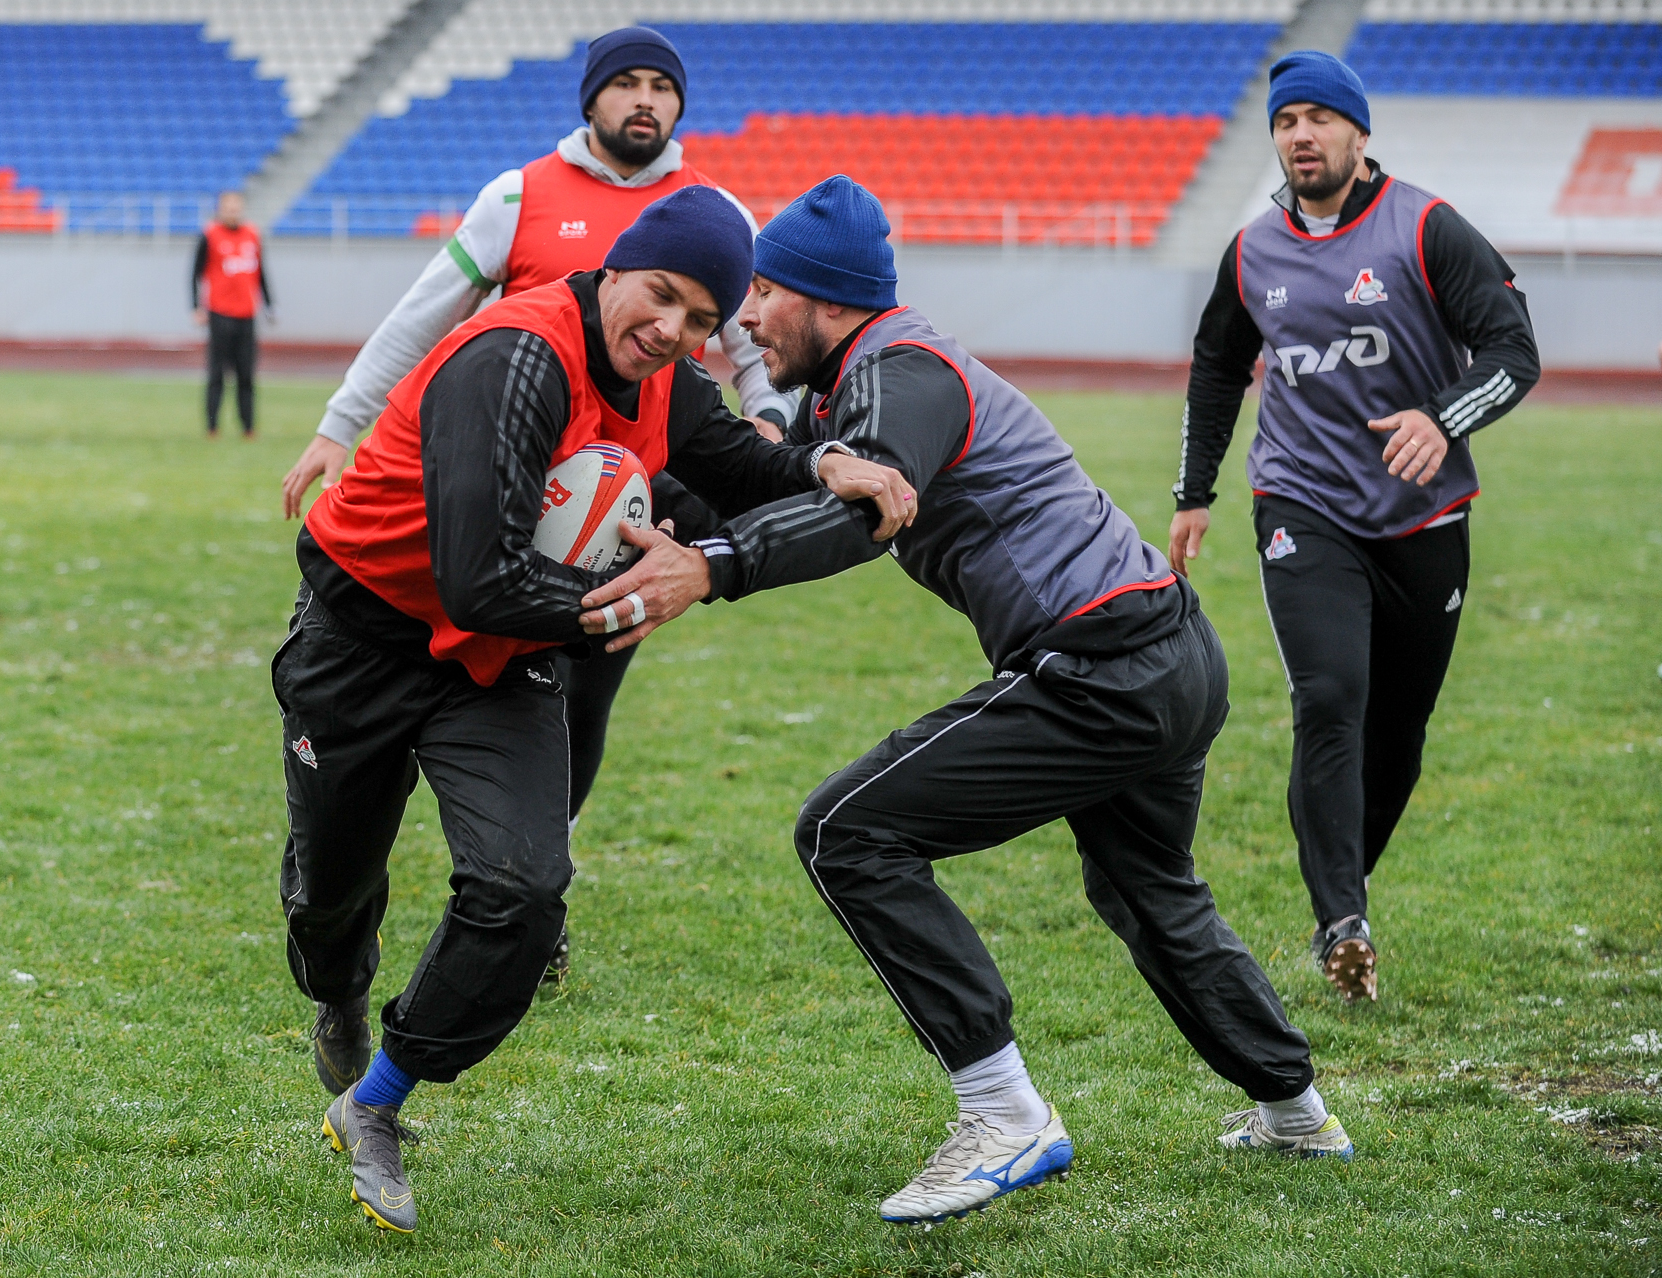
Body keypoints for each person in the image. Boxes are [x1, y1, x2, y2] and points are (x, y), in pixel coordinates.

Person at [578, 176, 1353, 1227]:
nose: (747, 318)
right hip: (1166, 652)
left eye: (764, 292)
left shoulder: (905, 370)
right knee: (1148, 888)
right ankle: (1296, 1110)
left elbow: (865, 513)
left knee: (847, 833)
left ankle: (1005, 1114)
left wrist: (709, 568)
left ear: (827, 298)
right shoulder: (859, 379)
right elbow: (772, 480)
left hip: (1103, 667)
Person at [279, 186, 914, 1233]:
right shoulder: (515, 358)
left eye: (704, 320)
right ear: (616, 267)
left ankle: (378, 1102)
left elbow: (743, 464)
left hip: (508, 654)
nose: (675, 331)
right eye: (662, 297)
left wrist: (826, 462)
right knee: (330, 899)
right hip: (363, 638)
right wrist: (641, 593)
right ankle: (338, 993)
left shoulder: (664, 382)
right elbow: (477, 581)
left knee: (526, 894)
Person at [280, 27, 793, 1029]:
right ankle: (337, 967)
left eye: (663, 87)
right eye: (628, 84)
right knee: (335, 883)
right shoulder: (520, 200)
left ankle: (515, 896)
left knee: (540, 825)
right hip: (409, 575)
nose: (646, 102)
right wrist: (340, 423)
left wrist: (819, 457)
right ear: (595, 98)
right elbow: (420, 316)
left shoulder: (706, 234)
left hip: (574, 527)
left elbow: (736, 392)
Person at [1169, 51, 1540, 1003]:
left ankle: (1347, 899)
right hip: (1302, 506)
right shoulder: (1253, 251)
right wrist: (1194, 489)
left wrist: (1441, 416)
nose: (1301, 135)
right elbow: (1218, 366)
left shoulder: (1426, 228)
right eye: (1286, 121)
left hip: (1424, 512)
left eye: (1319, 119)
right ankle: (1341, 919)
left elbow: (1515, 351)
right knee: (1330, 696)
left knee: (1399, 728)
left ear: (1358, 133)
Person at [191, 191, 273, 438]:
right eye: (228, 207)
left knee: (246, 374)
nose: (232, 211)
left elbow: (262, 272)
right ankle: (212, 426)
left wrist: (269, 303)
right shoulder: (210, 235)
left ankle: (248, 427)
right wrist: (196, 305)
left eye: (236, 206)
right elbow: (194, 273)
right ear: (220, 209)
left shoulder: (253, 235)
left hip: (247, 313)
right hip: (219, 313)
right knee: (217, 373)